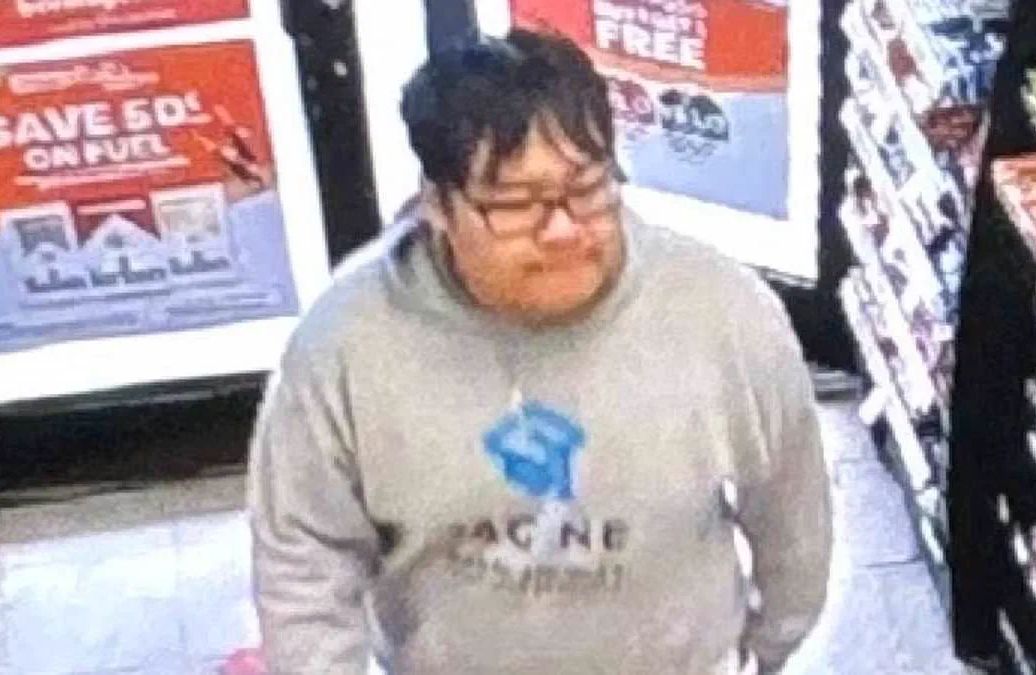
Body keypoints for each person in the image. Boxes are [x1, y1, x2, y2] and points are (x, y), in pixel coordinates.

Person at [247, 28, 831, 675]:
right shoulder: (345, 343)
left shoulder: (722, 312)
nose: (561, 229)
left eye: (587, 189)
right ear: (437, 203)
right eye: (515, 204)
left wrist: (767, 646)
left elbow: (792, 511)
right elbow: (303, 554)